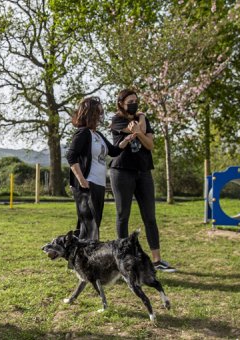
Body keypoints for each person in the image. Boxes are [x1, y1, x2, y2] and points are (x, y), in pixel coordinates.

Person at [109, 89, 176, 272]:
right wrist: (141, 123)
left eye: (136, 101)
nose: (134, 103)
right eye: (130, 101)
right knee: (123, 215)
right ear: (121, 103)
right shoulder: (117, 120)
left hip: (144, 171)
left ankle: (157, 260)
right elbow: (139, 130)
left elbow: (150, 144)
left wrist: (142, 122)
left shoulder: (142, 118)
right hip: (121, 171)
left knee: (150, 217)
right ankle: (123, 259)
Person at [66, 96, 132, 240]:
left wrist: (126, 140)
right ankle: (84, 259)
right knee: (89, 227)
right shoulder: (82, 133)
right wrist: (82, 180)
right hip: (87, 185)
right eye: (98, 113)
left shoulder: (98, 135)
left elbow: (113, 151)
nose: (100, 116)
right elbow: (71, 156)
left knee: (92, 226)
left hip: (99, 184)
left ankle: (80, 258)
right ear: (90, 114)